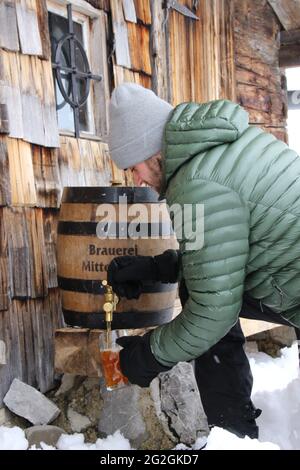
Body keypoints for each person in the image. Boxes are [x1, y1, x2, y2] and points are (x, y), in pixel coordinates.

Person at [107, 82, 300, 439]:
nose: (137, 180)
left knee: (205, 303)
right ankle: (234, 427)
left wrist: (149, 355)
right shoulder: (218, 148)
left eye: (134, 167)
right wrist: (156, 268)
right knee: (200, 287)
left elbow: (213, 311)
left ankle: (232, 432)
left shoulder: (196, 182)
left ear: (153, 152)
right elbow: (222, 252)